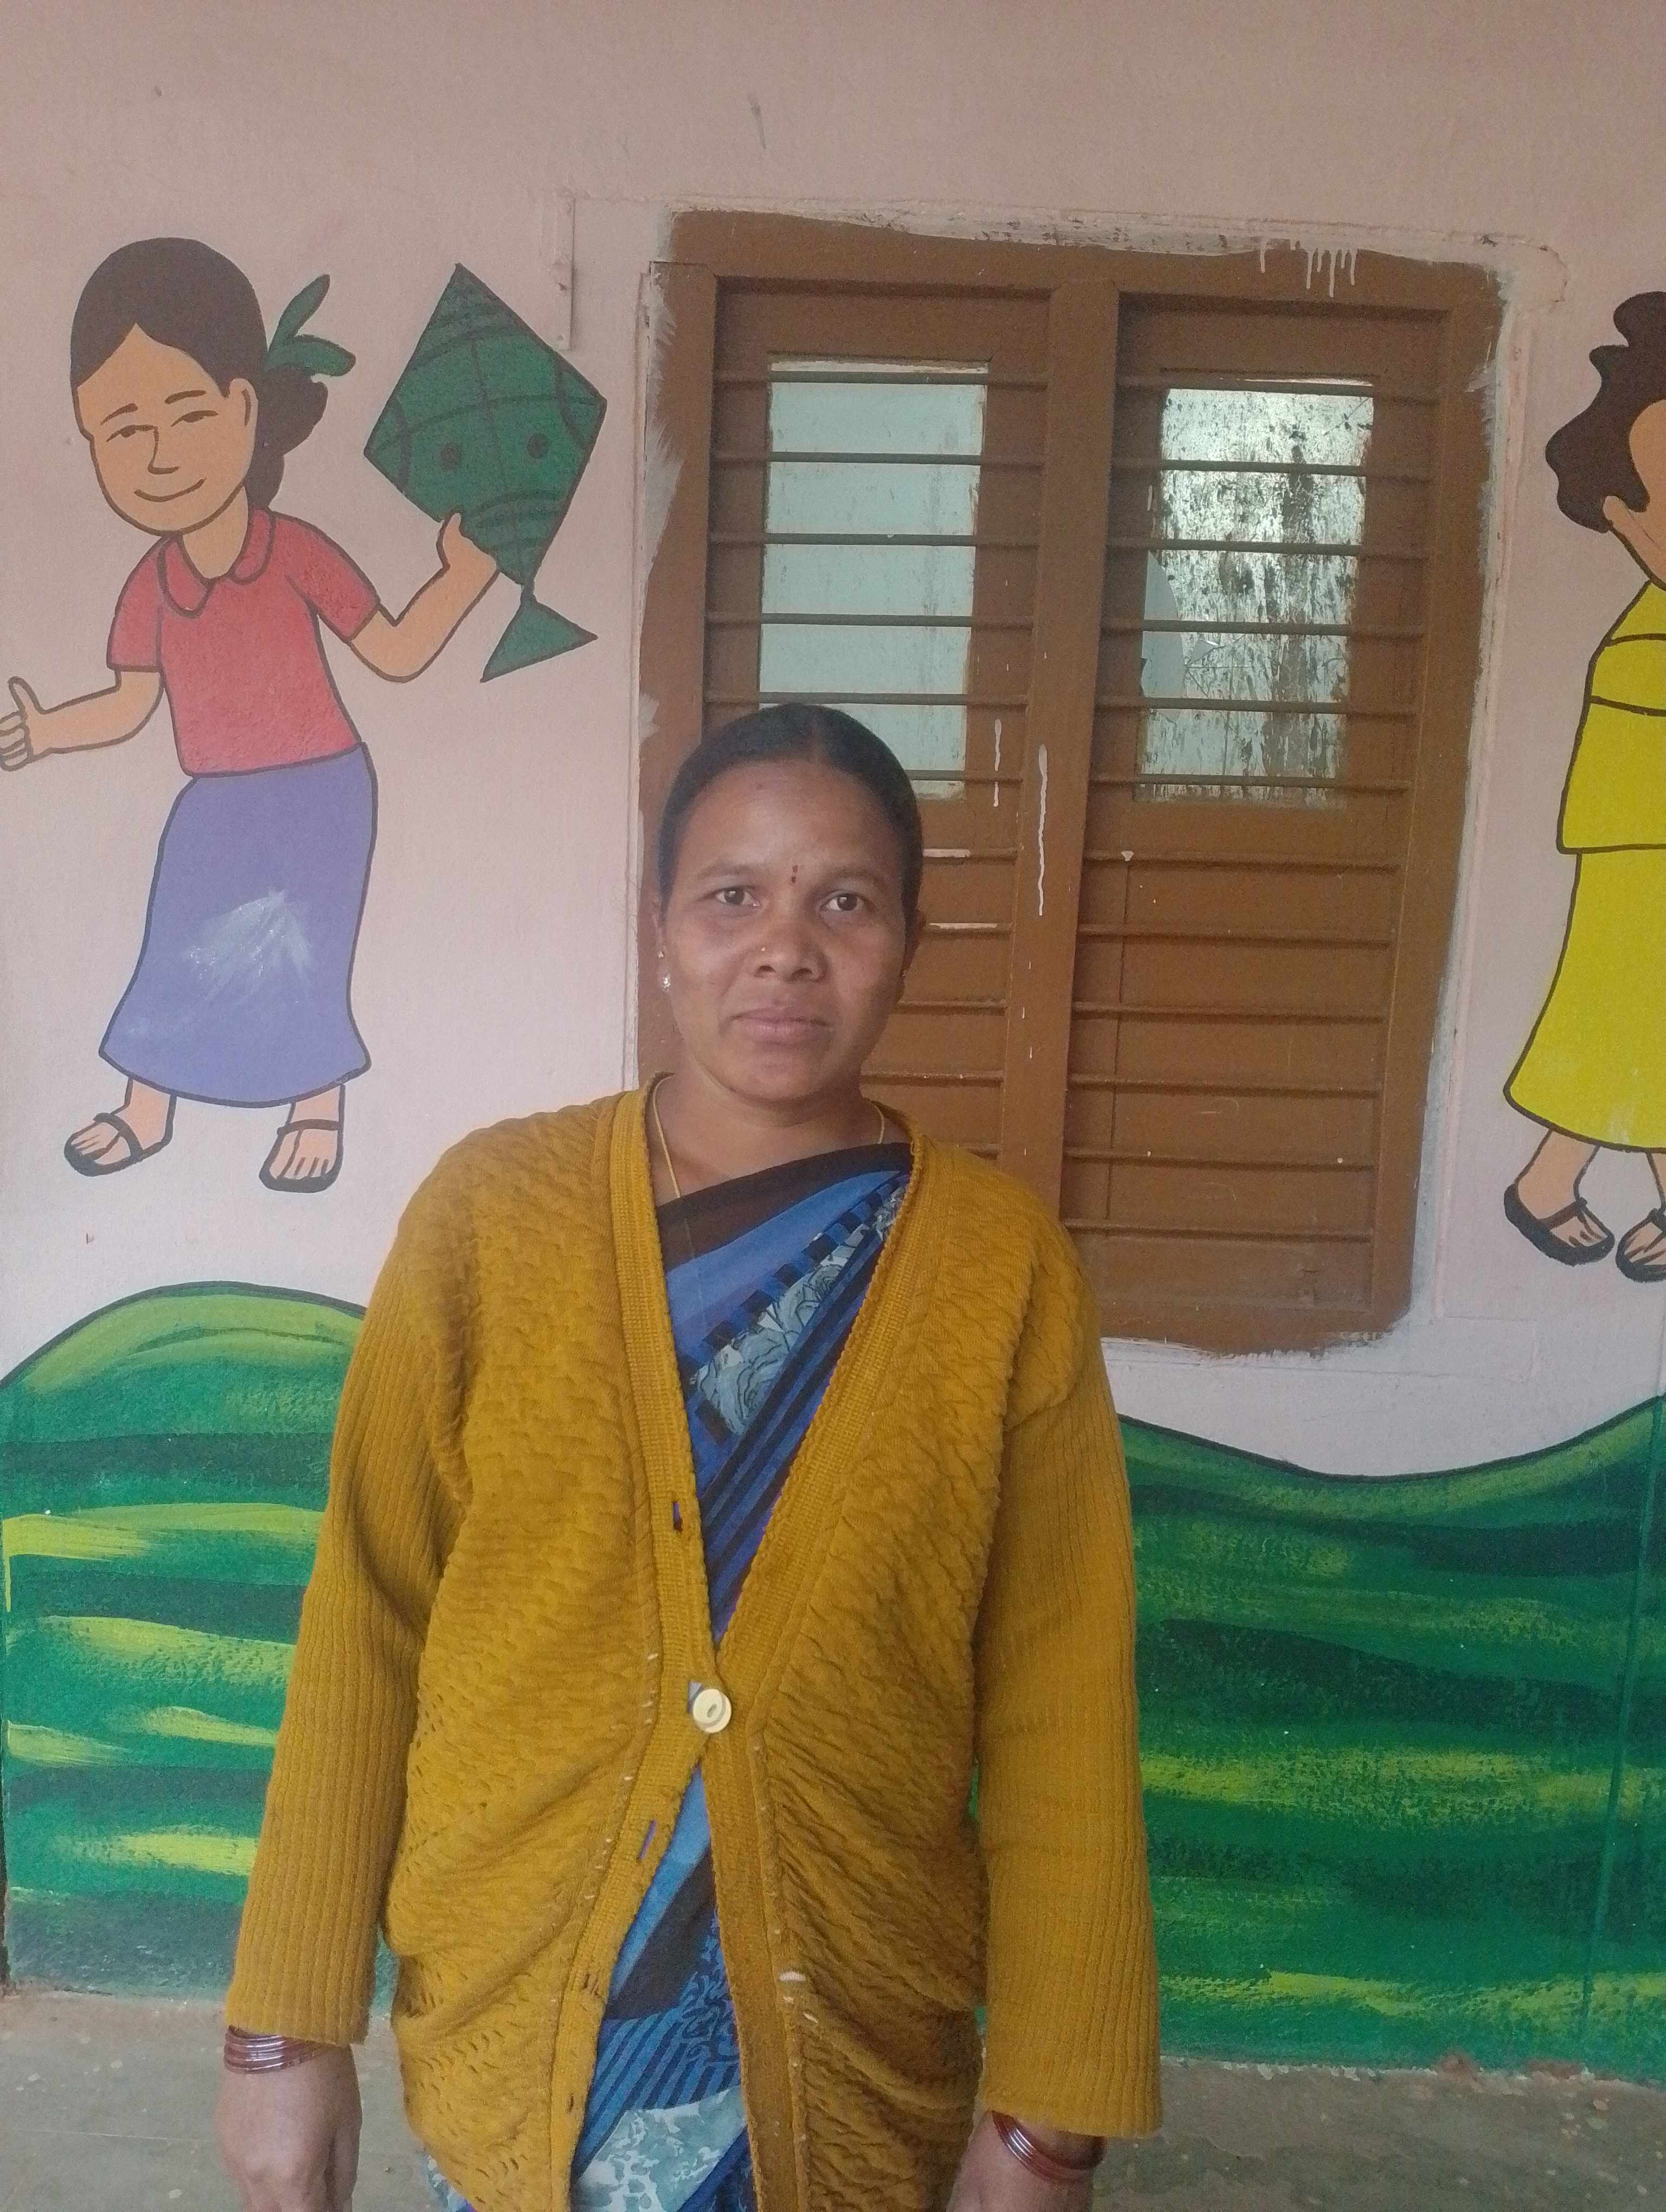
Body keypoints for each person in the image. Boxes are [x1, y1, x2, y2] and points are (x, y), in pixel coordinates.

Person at [215, 703, 1161, 2212]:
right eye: (734, 896)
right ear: (660, 928)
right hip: (513, 2036)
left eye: (844, 901)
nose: (785, 949)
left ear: (909, 944)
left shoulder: (1004, 1272)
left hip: (854, 2055)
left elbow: (1063, 1705)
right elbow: (366, 1624)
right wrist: (285, 2030)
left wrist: (1051, 2118)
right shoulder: (488, 1220)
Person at [0, 238, 499, 1193]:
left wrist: (463, 579)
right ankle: (148, 1107)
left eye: (188, 414)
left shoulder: (295, 550)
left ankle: (315, 1107)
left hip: (322, 790)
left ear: (244, 410)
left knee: (306, 950)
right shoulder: (149, 585)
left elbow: (395, 652)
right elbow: (130, 706)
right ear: (87, 437)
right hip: (214, 801)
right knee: (173, 943)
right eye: (123, 431)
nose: (159, 455)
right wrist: (47, 730)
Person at [1506, 292, 1666, 1282]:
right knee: (1628, 1011)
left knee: (1628, 1016)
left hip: (1635, 834)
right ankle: (1547, 1180)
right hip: (1637, 839)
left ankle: (1547, 1179)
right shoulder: (1644, 647)